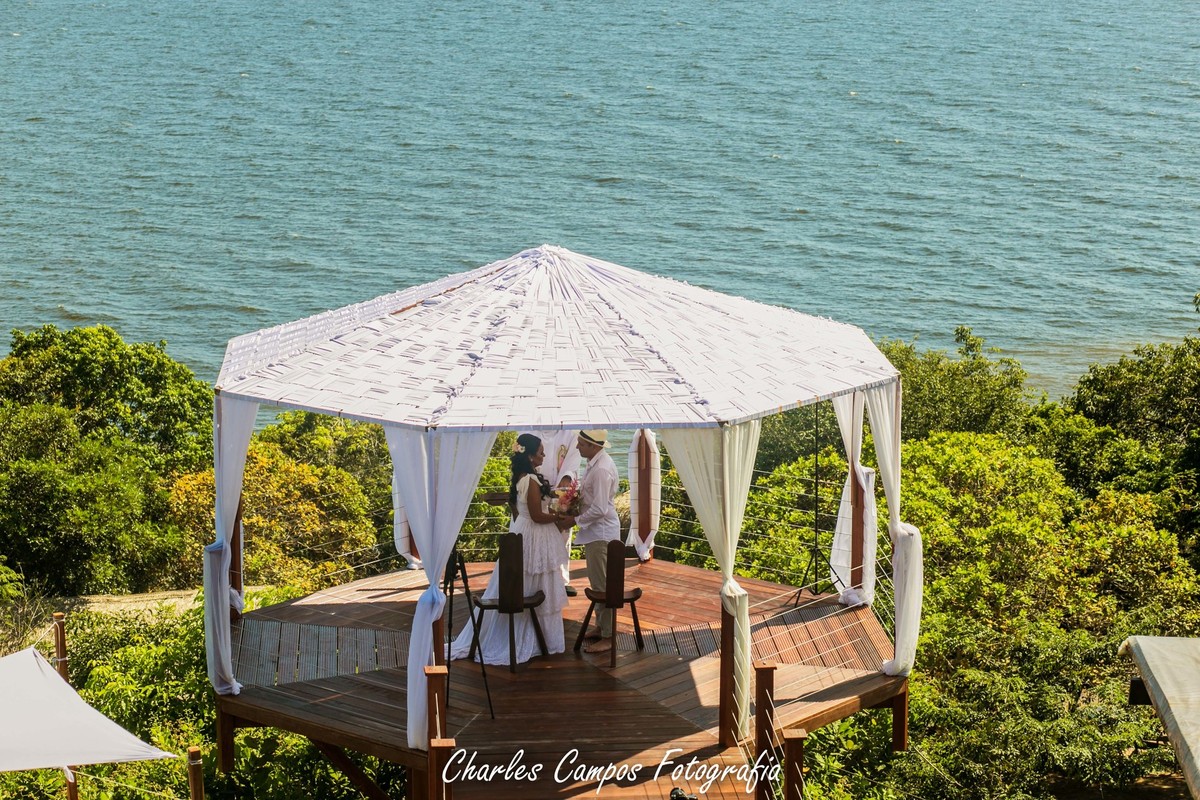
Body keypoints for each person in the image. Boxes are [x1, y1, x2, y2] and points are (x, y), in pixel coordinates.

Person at [449, 433, 568, 664]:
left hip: (523, 530)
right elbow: (535, 515)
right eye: (541, 451)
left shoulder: (522, 476)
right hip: (533, 533)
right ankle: (533, 640)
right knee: (534, 579)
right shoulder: (531, 480)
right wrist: (558, 516)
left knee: (530, 578)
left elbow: (521, 507)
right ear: (531, 455)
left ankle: (535, 638)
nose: (544, 455)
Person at [561, 429, 620, 654]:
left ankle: (609, 635)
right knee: (598, 583)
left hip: (602, 535)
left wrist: (574, 520)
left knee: (603, 586)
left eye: (581, 445)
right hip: (597, 533)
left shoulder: (602, 470)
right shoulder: (595, 463)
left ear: (593, 446)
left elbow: (600, 508)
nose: (577, 448)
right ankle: (601, 627)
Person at [524, 429, 583, 596]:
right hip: (535, 488)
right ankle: (537, 579)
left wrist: (566, 479)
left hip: (559, 490)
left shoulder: (569, 433)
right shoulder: (530, 428)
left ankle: (561, 580)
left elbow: (573, 459)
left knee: (562, 536)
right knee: (536, 538)